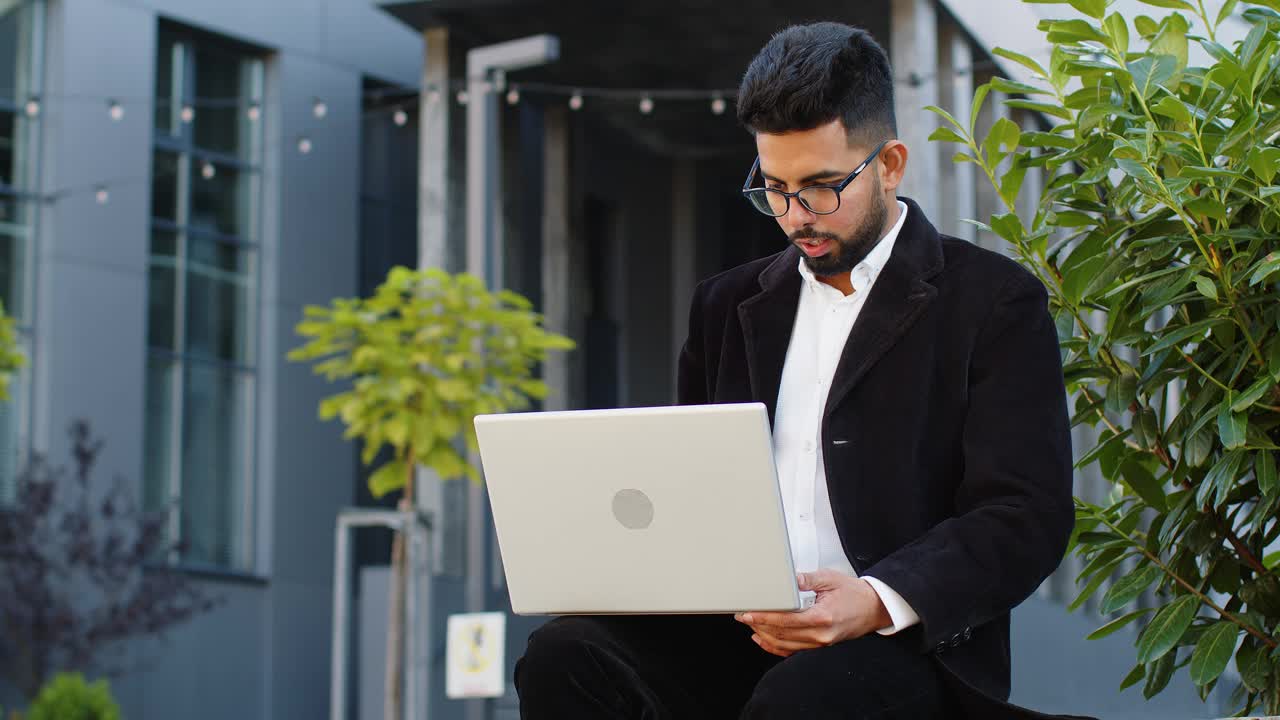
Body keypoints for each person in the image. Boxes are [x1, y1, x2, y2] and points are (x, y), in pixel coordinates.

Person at [514, 21, 1082, 720]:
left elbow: (1026, 512)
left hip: (901, 647)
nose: (794, 216)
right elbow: (690, 488)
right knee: (563, 655)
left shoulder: (994, 300)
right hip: (737, 631)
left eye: (819, 186)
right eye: (774, 188)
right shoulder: (725, 304)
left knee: (806, 698)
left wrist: (875, 600)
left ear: (891, 163)